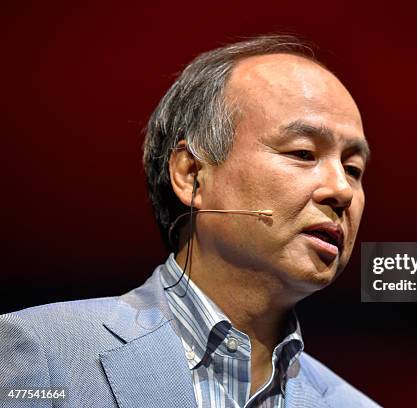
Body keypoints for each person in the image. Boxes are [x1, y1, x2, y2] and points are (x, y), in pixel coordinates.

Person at [0, 35, 378, 407]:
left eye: (353, 168)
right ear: (191, 174)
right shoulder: (44, 353)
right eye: (303, 152)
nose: (342, 190)